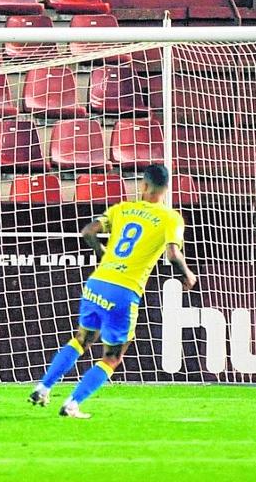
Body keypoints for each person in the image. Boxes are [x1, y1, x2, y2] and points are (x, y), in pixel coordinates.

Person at [30, 164, 198, 419]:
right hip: (124, 290)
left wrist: (103, 255)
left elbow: (88, 231)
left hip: (97, 282)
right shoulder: (171, 218)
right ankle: (72, 403)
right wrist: (187, 274)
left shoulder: (122, 209)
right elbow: (173, 253)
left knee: (81, 340)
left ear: (143, 185)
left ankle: (43, 387)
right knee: (112, 357)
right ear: (166, 188)